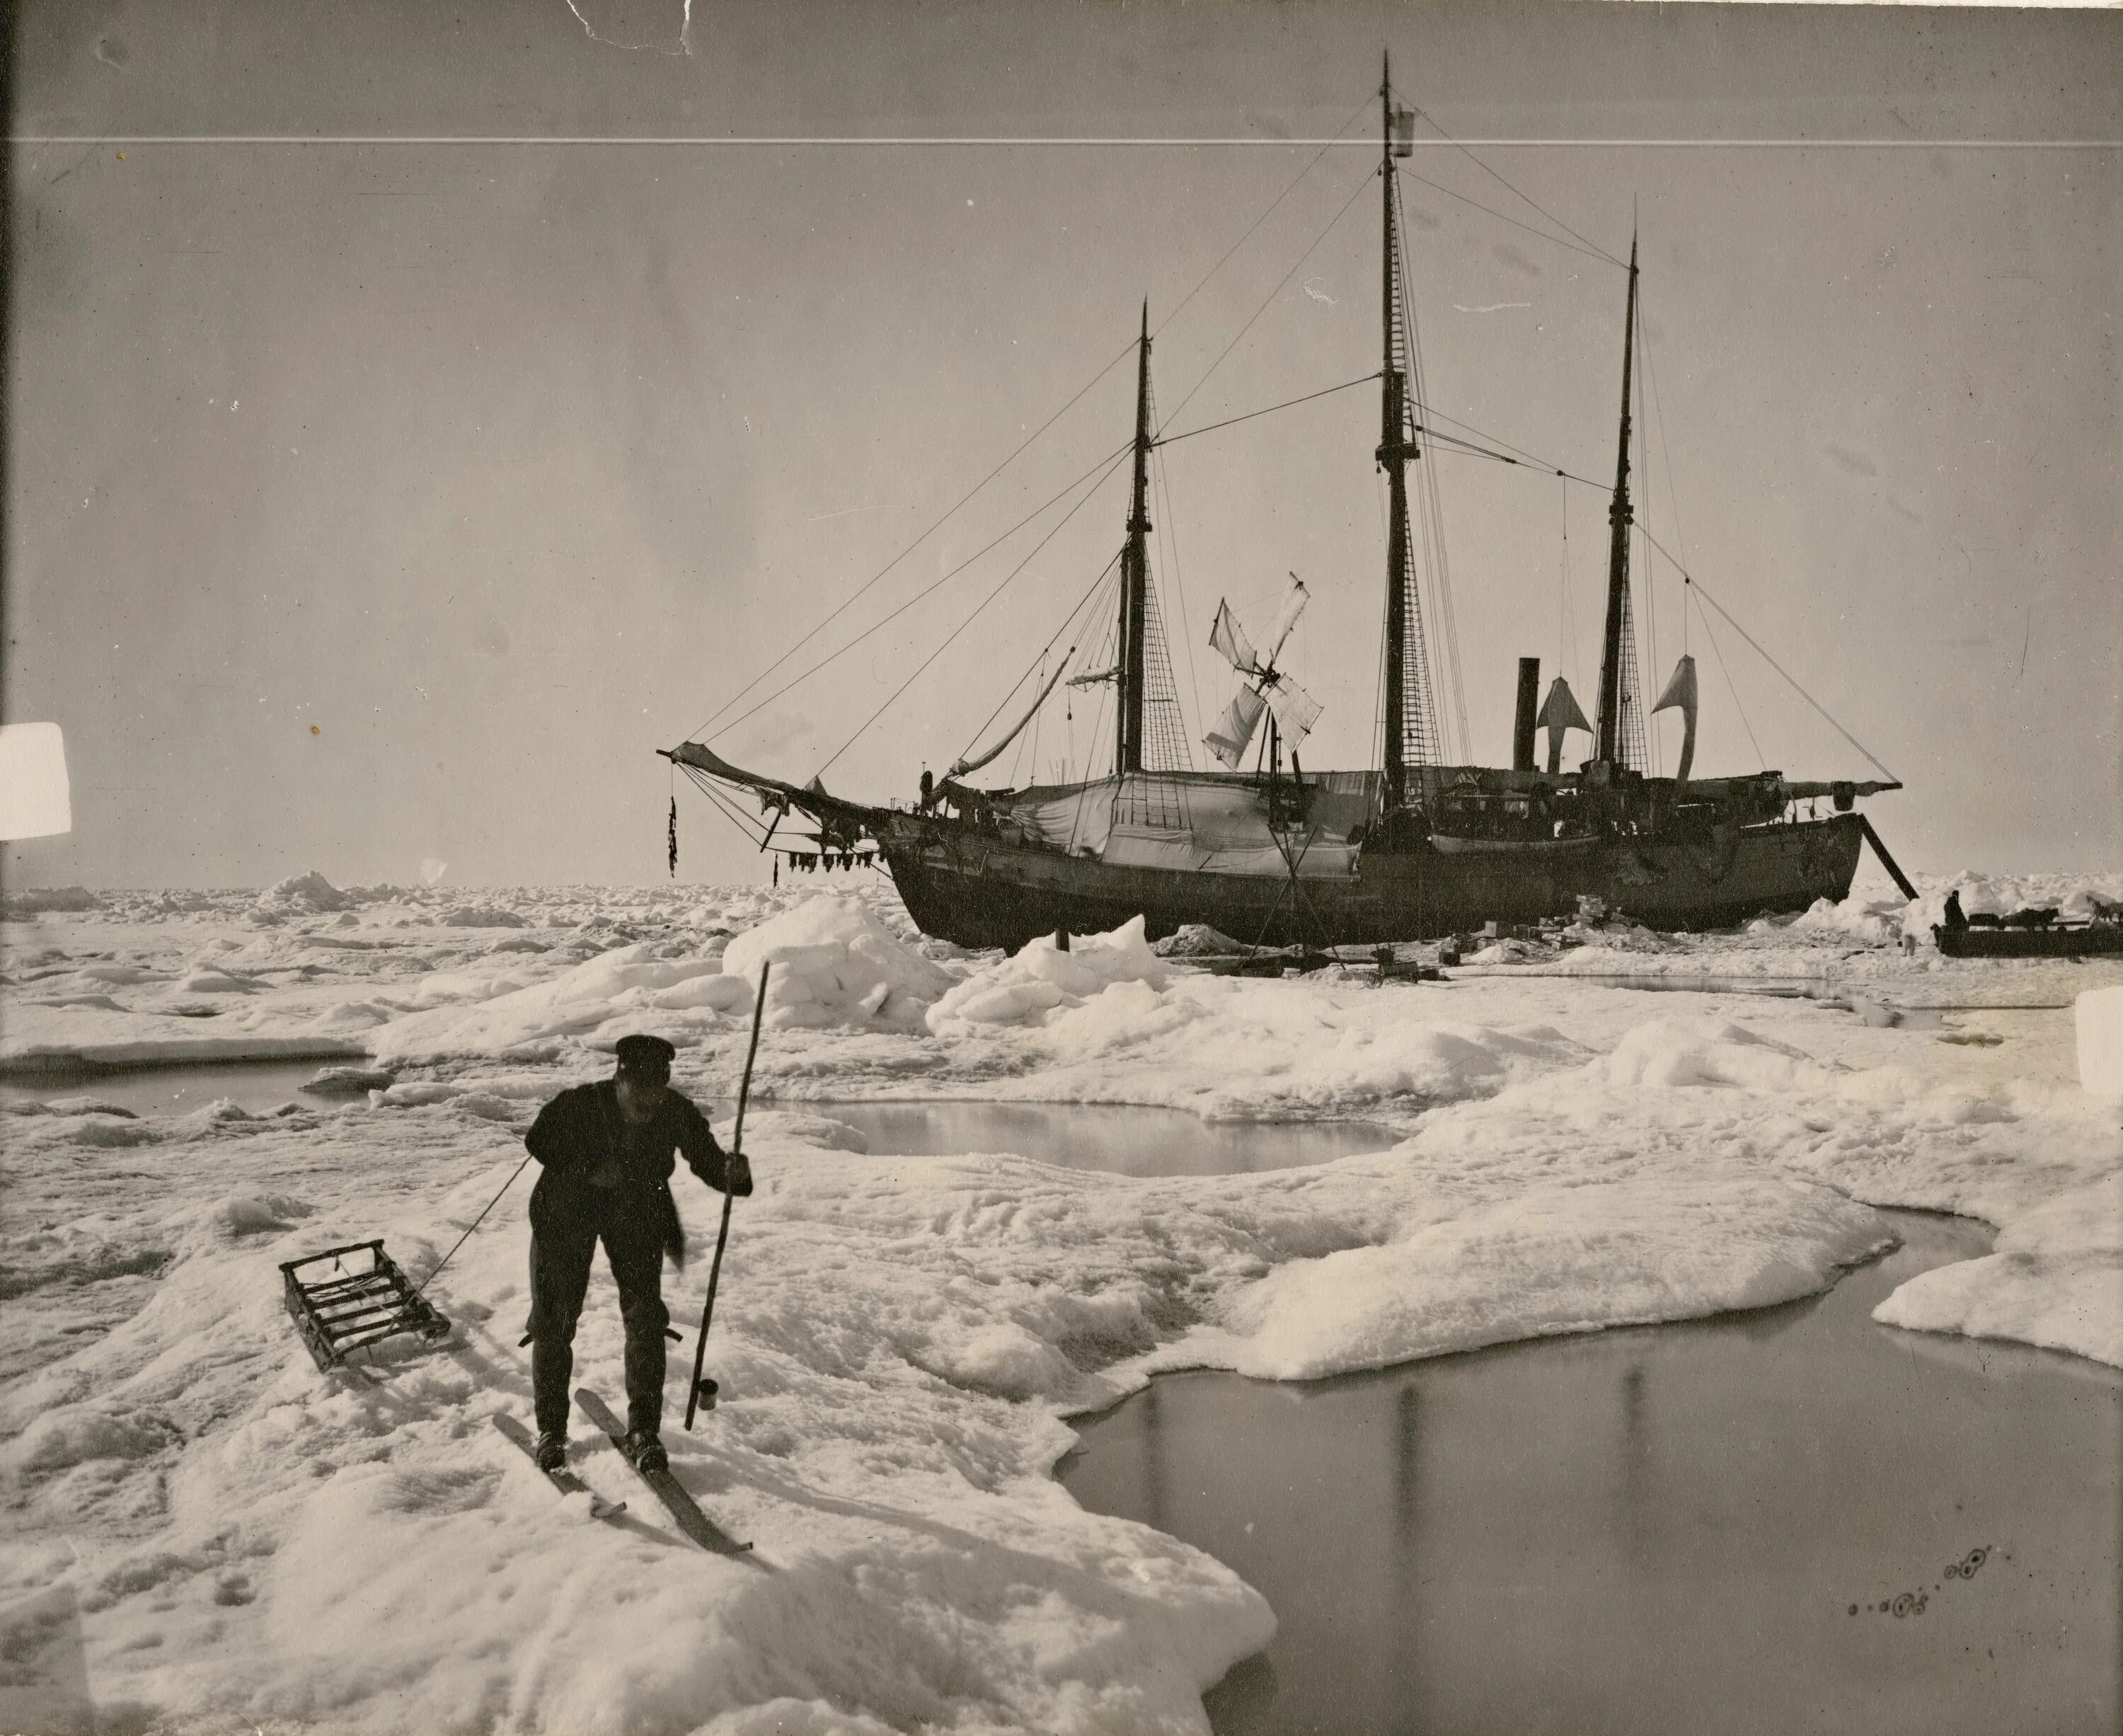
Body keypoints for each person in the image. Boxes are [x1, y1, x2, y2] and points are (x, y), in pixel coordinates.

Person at [521, 1034, 752, 1473]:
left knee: (646, 1316)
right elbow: (538, 1140)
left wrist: (731, 1174)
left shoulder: (675, 1110)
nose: (649, 1106)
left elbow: (706, 1158)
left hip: (636, 1210)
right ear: (620, 1081)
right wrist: (587, 1169)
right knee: (554, 1317)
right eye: (639, 1096)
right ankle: (551, 1430)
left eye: (657, 1095)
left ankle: (645, 1430)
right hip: (565, 1210)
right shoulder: (579, 1104)